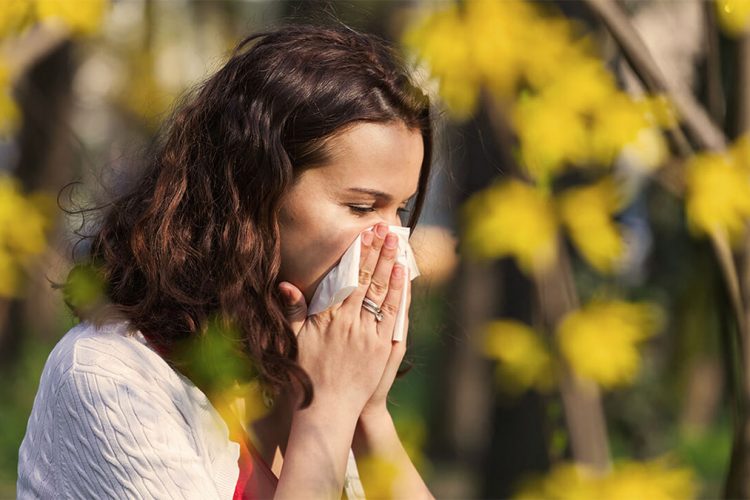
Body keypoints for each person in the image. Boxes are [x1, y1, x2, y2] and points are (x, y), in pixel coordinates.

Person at [17, 21, 436, 500]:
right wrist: (331, 408)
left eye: (399, 210)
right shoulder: (110, 377)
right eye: (362, 207)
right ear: (254, 192)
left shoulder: (302, 366)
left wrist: (368, 413)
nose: (391, 241)